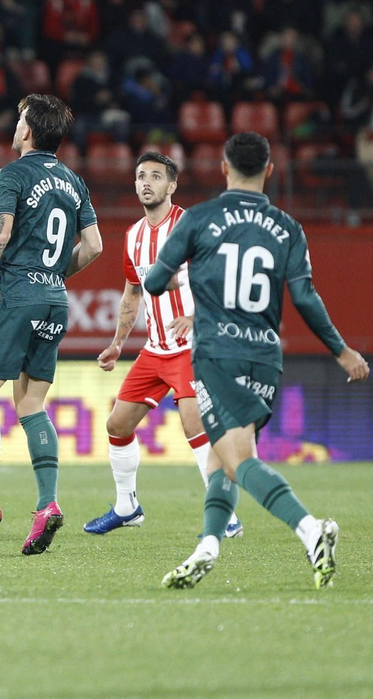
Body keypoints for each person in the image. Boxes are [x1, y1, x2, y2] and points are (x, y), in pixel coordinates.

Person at [148, 132, 370, 590]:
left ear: (223, 168)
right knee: (221, 457)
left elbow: (153, 280)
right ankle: (208, 547)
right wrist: (342, 350)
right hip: (265, 358)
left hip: (217, 355)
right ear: (269, 170)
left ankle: (311, 531)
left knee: (237, 459)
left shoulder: (200, 218)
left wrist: (184, 277)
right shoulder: (288, 227)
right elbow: (305, 297)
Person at [0, 94, 102, 553]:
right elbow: (93, 246)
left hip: (14, 298)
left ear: (27, 130)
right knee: (30, 404)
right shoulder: (74, 182)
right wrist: (51, 278)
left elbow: (0, 234)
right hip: (55, 301)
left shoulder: (10, 175)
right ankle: (47, 504)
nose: (14, 126)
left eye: (18, 119)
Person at [84, 152, 243, 538]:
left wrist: (196, 317)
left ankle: (226, 517)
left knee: (193, 424)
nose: (146, 182)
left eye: (156, 176)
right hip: (155, 350)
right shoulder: (134, 235)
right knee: (117, 424)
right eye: (141, 176)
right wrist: (117, 343)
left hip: (193, 347)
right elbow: (132, 292)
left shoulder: (192, 227)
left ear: (172, 186)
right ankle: (127, 507)